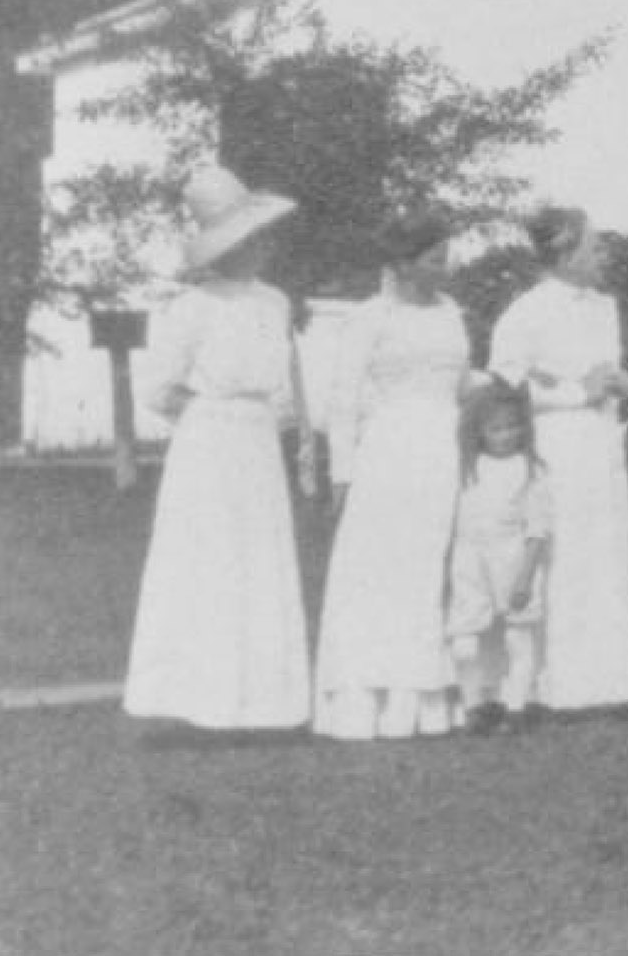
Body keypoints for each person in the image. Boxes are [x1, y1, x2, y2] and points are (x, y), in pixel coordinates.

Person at [122, 165, 314, 733]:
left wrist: (264, 424)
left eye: (261, 238)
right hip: (208, 446)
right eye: (246, 239)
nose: (260, 248)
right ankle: (192, 702)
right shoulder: (191, 307)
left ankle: (264, 705)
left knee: (258, 562)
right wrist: (211, 420)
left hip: (258, 445)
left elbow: (282, 384)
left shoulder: (274, 303)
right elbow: (158, 388)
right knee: (208, 564)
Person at [485, 207, 628, 712]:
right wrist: (574, 391)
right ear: (563, 250)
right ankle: (563, 685)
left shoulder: (605, 307)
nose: (604, 255)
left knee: (608, 550)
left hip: (602, 439)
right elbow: (508, 382)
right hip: (558, 444)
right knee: (568, 554)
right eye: (595, 246)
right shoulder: (527, 310)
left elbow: (605, 371)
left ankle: (617, 683)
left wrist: (618, 384)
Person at [311, 213, 473, 741]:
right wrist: (341, 473)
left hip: (445, 449)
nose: (443, 266)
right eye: (432, 257)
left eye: (445, 255)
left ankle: (423, 702)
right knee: (380, 571)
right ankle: (364, 701)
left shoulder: (451, 312)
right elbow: (342, 398)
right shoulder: (370, 317)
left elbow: (457, 378)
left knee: (432, 568)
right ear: (402, 264)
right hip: (390, 452)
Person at [448, 379, 554, 733]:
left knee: (517, 635)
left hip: (513, 556)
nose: (506, 435)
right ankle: (474, 705)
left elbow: (538, 530)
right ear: (479, 432)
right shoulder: (467, 467)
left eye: (513, 426)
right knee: (464, 637)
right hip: (469, 558)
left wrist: (524, 576)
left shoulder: (530, 469)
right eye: (496, 429)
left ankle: (516, 707)